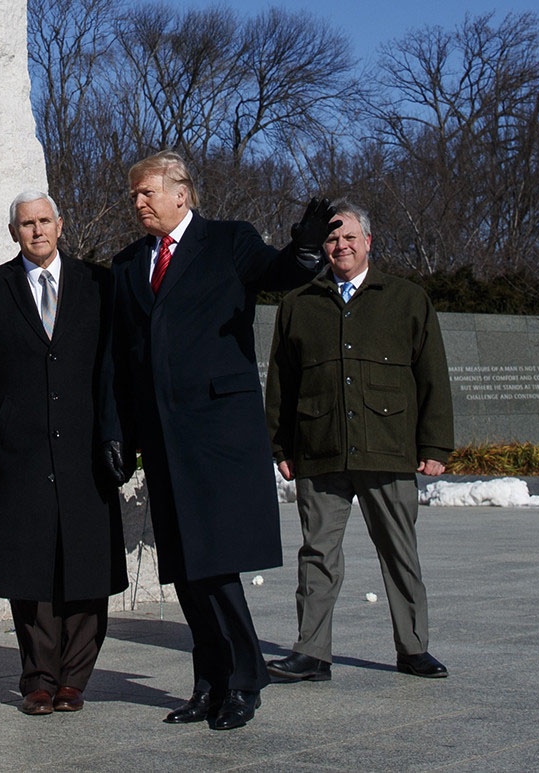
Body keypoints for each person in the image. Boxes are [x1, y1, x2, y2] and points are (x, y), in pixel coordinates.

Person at [99, 150, 337, 730]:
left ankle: (244, 678)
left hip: (218, 433)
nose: (138, 203)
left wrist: (307, 251)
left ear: (181, 193)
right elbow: (119, 359)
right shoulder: (129, 263)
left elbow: (279, 273)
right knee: (184, 567)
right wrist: (117, 432)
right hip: (162, 438)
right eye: (133, 195)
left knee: (216, 562)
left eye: (147, 192)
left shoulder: (229, 240)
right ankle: (209, 682)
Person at [264, 199, 453, 682]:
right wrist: (281, 447)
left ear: (368, 241)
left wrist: (435, 446)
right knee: (317, 554)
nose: (341, 246)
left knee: (400, 552)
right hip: (320, 448)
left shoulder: (407, 298)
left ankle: (413, 648)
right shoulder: (298, 303)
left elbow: (432, 374)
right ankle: (312, 652)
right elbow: (281, 381)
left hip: (387, 447)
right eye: (332, 238)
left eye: (349, 237)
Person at [0, 191, 126, 716]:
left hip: (86, 451)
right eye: (26, 224)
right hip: (20, 453)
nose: (37, 231)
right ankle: (38, 680)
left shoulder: (98, 284)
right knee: (31, 569)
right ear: (14, 233)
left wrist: (119, 436)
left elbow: (114, 367)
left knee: (87, 566)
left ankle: (74, 679)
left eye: (45, 221)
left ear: (60, 225)